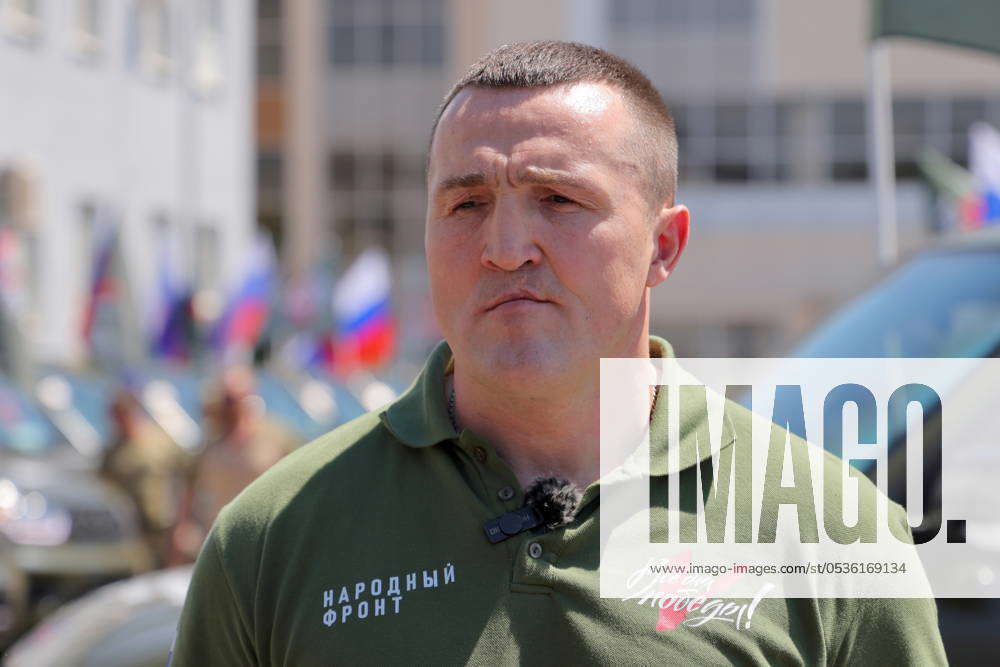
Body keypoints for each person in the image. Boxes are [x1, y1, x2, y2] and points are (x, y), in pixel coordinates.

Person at [171, 41, 946, 665]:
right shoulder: (271, 538)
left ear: (663, 245)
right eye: (466, 204)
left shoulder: (834, 533)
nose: (506, 248)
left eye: (559, 200)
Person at [169, 365, 297, 565]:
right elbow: (189, 487)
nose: (231, 407)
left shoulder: (276, 437)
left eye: (235, 400)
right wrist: (182, 528)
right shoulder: (210, 443)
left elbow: (298, 482)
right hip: (219, 538)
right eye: (226, 400)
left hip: (265, 537)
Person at [100, 385, 186, 567]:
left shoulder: (159, 442)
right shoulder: (114, 451)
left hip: (162, 523)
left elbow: (186, 474)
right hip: (132, 528)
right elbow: (103, 485)